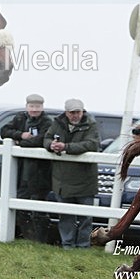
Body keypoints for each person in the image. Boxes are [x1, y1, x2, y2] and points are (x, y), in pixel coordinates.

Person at [43, 98, 100, 249]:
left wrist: (66, 147)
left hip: (85, 178)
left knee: (85, 217)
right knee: (65, 215)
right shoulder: (57, 123)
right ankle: (67, 244)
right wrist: (51, 145)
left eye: (78, 112)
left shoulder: (91, 124)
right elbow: (47, 138)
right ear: (66, 113)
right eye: (72, 112)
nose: (75, 115)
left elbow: (92, 144)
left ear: (83, 111)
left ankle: (83, 245)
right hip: (62, 178)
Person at [0, 93, 53, 243]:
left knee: (39, 206)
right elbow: (4, 131)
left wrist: (20, 144)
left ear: (42, 107)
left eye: (37, 106)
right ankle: (27, 236)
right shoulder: (20, 118)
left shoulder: (47, 122)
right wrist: (20, 135)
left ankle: (41, 240)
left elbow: (42, 140)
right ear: (27, 107)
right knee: (20, 204)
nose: (34, 109)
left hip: (41, 171)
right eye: (32, 106)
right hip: (22, 171)